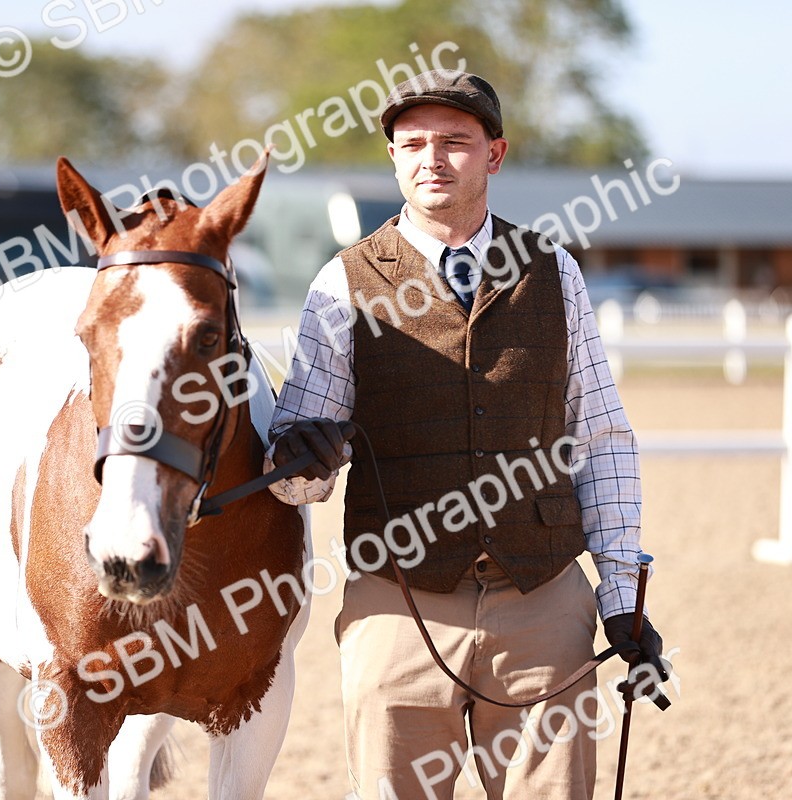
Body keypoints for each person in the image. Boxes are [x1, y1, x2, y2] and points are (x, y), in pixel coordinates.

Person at [264, 70, 668, 799]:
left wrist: (620, 595)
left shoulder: (554, 271)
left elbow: (601, 438)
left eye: (455, 141)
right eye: (413, 143)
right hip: (398, 602)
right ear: (393, 157)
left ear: (495, 154)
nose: (433, 159)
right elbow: (297, 476)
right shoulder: (341, 282)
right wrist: (302, 461)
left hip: (542, 599)